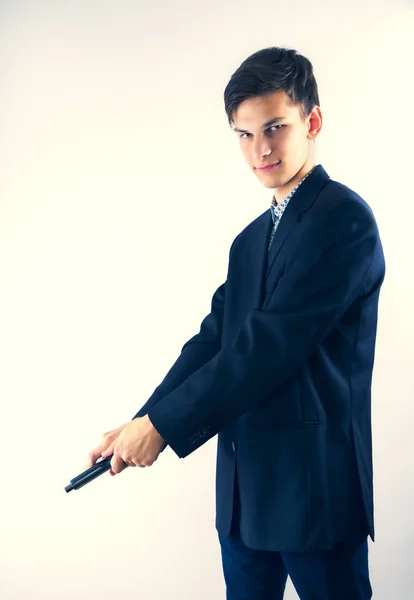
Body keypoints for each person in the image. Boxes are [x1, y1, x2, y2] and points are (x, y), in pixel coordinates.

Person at [85, 47, 386, 599]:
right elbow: (214, 341)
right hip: (245, 495)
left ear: (312, 121)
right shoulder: (249, 240)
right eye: (244, 135)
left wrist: (163, 428)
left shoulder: (343, 220)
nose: (260, 148)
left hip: (312, 490)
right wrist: (142, 420)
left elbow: (266, 347)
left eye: (275, 127)